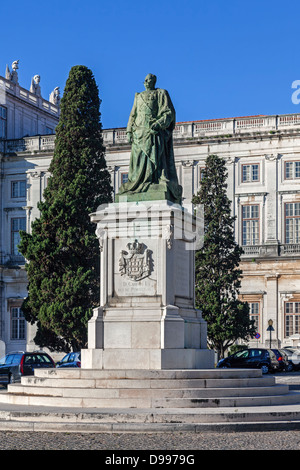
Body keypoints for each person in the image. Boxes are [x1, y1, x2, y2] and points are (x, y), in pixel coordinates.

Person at [116, 74, 182, 204]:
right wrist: (129, 131)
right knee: (138, 159)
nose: (146, 82)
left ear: (154, 81)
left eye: (148, 80)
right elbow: (132, 115)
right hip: (138, 133)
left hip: (153, 132)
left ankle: (154, 180)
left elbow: (168, 112)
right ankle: (138, 182)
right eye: (145, 80)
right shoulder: (138, 96)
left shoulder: (161, 94)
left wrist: (159, 123)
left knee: (155, 158)